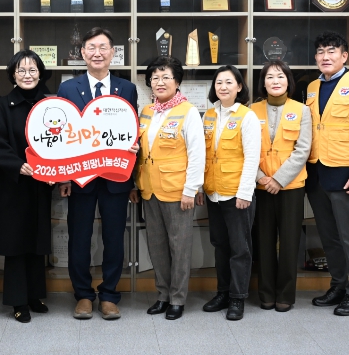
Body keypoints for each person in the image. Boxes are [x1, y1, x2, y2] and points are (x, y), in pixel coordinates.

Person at [57, 27, 138, 320]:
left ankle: (109, 295)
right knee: (79, 237)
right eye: (91, 47)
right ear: (83, 53)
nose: (97, 53)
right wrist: (64, 175)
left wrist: (133, 175)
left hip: (116, 177)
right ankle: (82, 294)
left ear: (113, 52)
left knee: (114, 238)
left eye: (103, 47)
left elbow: (133, 132)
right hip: (80, 178)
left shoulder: (127, 88)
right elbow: (63, 134)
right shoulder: (68, 89)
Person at [305, 31, 349, 316]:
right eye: (321, 51)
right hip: (316, 172)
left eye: (332, 51)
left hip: (345, 173)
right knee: (328, 235)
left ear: (344, 56)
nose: (326, 56)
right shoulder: (311, 87)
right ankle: (337, 285)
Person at [130, 56, 205, 320]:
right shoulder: (146, 111)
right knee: (157, 247)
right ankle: (162, 295)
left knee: (179, 247)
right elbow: (140, 152)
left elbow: (197, 154)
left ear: (177, 81)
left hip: (177, 192)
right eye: (155, 78)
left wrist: (191, 189)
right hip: (149, 190)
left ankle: (177, 298)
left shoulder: (188, 111)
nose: (159, 82)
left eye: (165, 77)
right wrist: (135, 183)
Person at [0, 50, 53, 323]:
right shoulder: (2, 105)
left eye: (32, 70)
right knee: (16, 243)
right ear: (13, 75)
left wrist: (57, 170)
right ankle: (18, 301)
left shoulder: (50, 104)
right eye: (21, 71)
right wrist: (18, 165)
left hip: (42, 184)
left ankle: (35, 295)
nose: (28, 75)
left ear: (40, 73)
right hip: (13, 185)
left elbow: (63, 141)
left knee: (37, 242)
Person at [200, 65, 261, 321]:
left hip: (237, 194)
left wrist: (245, 192)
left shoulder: (247, 116)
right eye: (219, 82)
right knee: (220, 245)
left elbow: (252, 158)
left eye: (228, 82)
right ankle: (223, 292)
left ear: (239, 87)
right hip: (214, 192)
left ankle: (238, 297)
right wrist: (201, 187)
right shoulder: (209, 115)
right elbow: (203, 155)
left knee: (240, 248)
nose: (223, 87)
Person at [250, 61, 311, 312]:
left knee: (289, 241)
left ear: (288, 81)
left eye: (280, 76)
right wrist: (260, 178)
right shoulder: (251, 110)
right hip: (261, 186)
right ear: (263, 83)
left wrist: (279, 179)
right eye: (270, 77)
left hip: (291, 186)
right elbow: (245, 149)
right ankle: (266, 293)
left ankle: (285, 294)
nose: (275, 81)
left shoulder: (302, 110)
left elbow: (303, 149)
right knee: (263, 241)